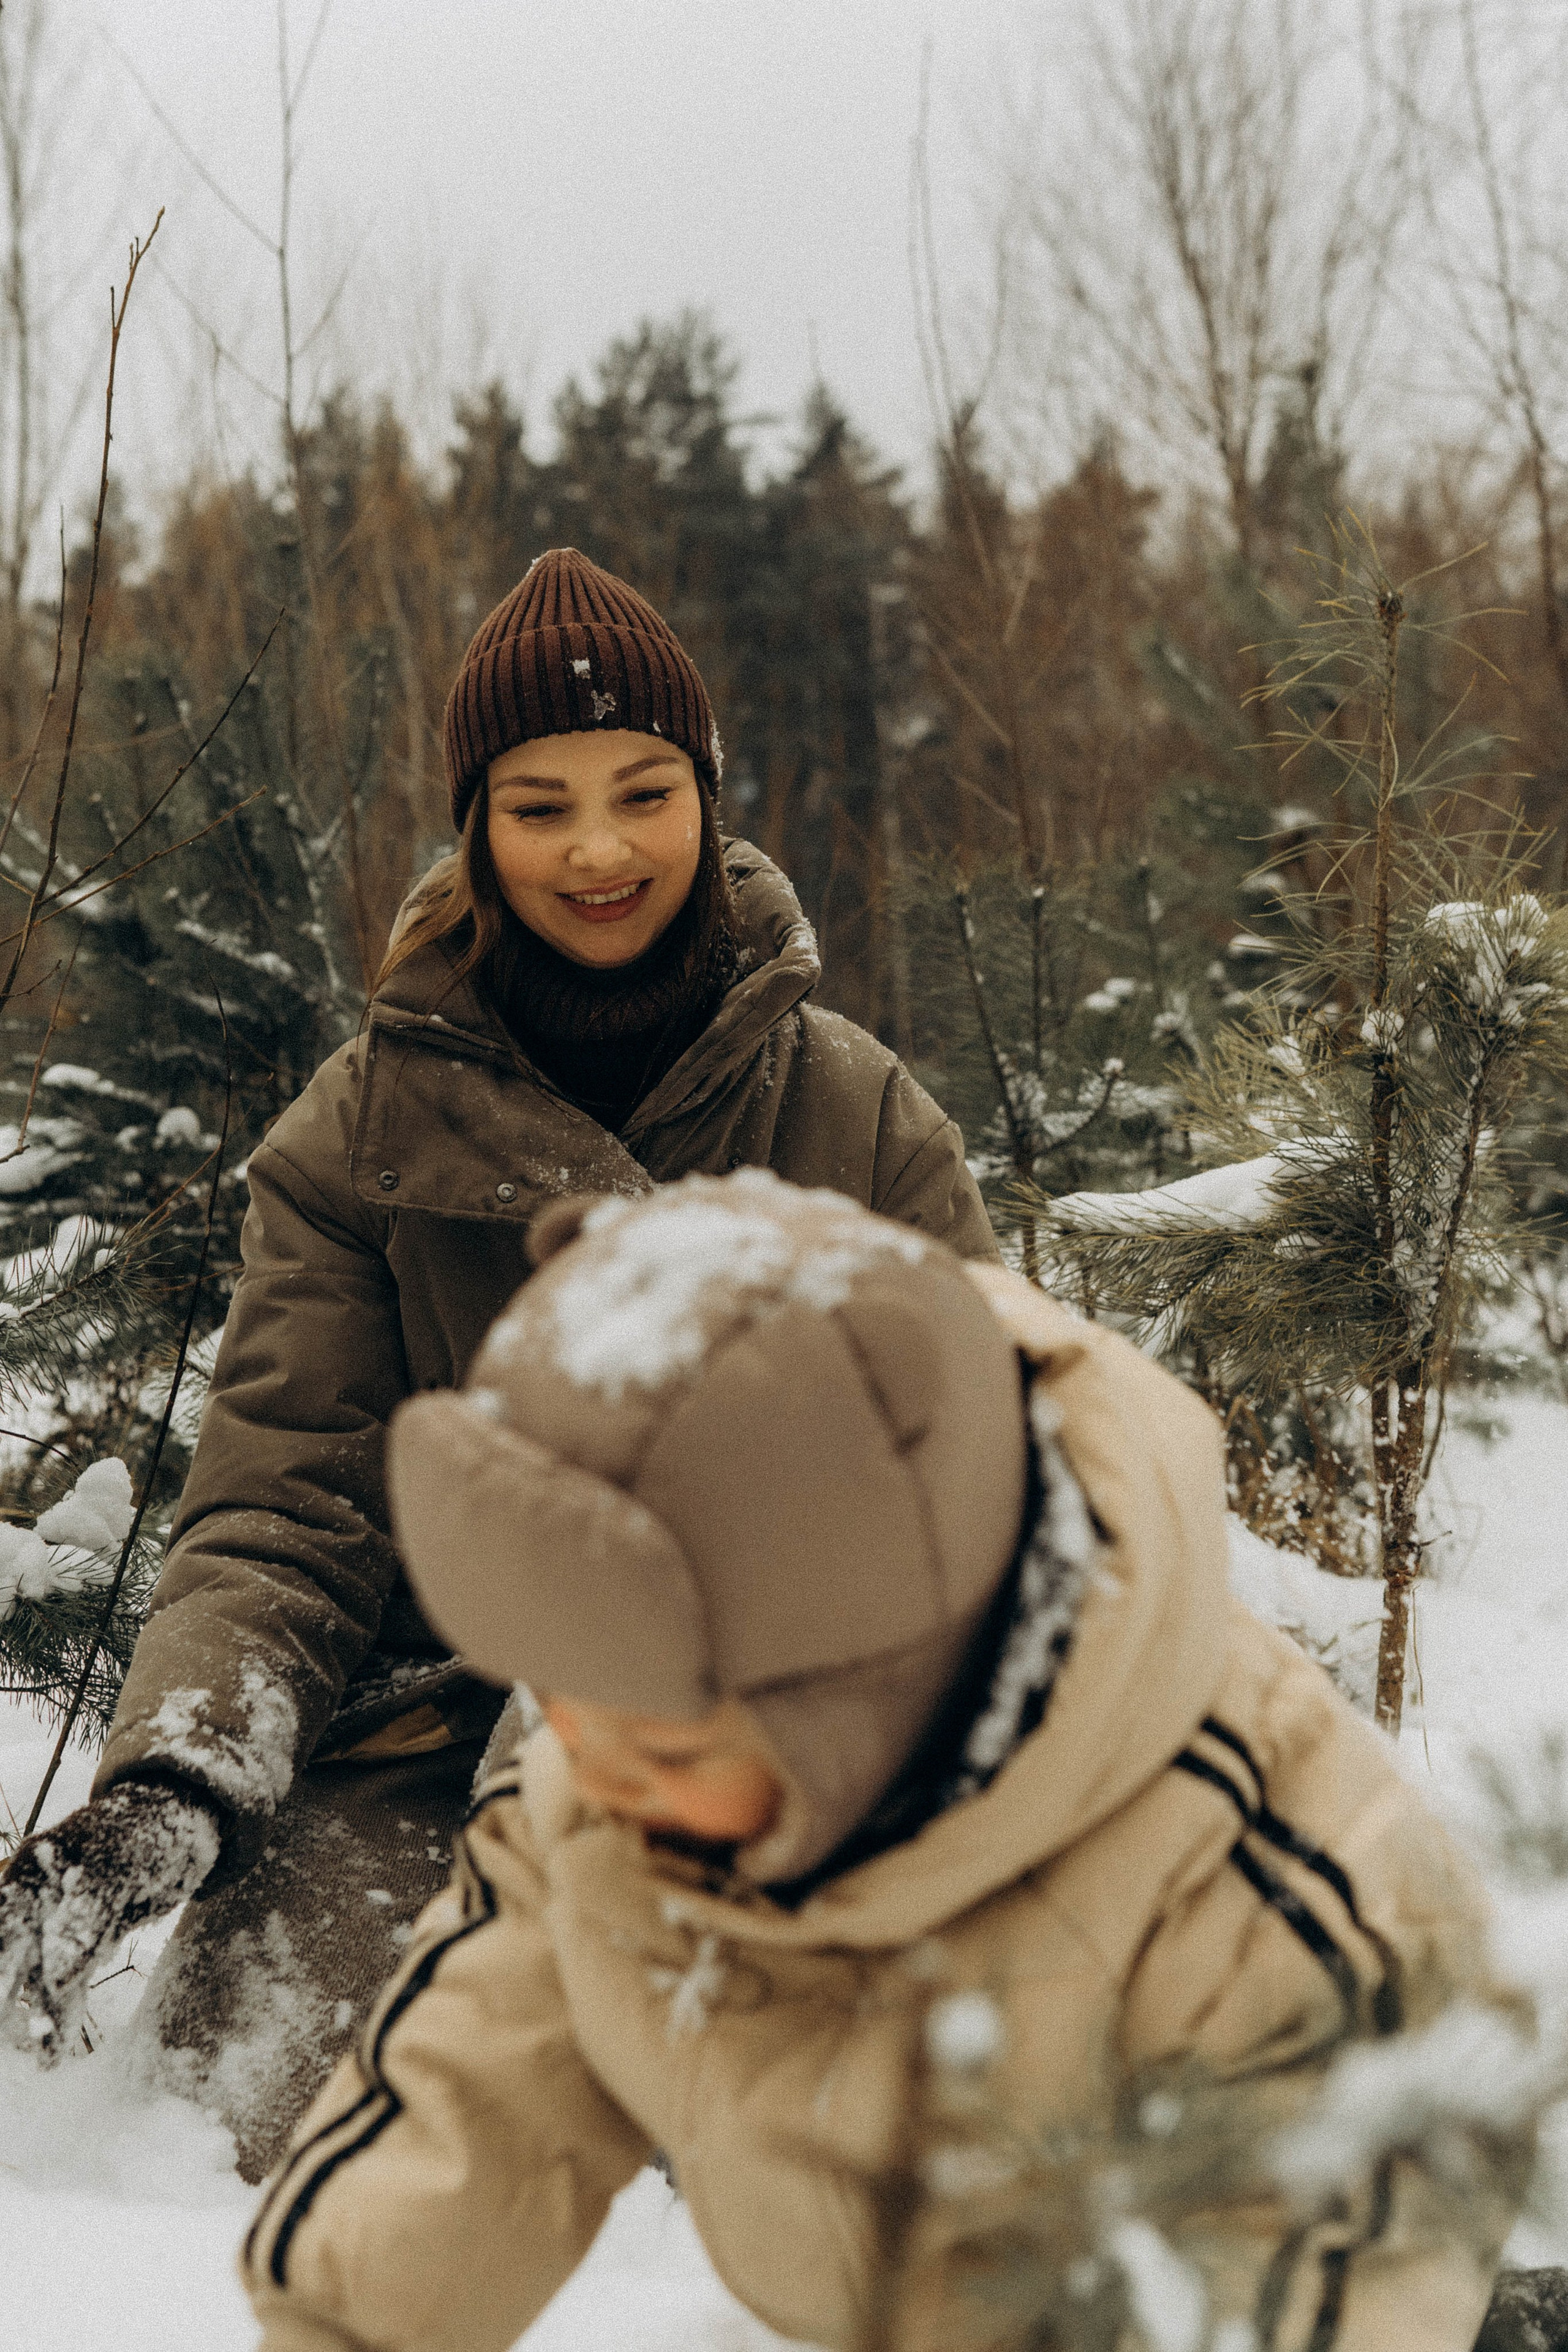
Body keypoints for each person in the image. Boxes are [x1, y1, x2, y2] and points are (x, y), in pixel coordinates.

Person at [0, 551, 997, 2179]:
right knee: (251, 2156)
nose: (598, 851)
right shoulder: (354, 1141)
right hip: (410, 1756)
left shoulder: (860, 1119)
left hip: (782, 1744)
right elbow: (283, 1508)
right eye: (539, 807)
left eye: (642, 793)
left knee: (823, 2158)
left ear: (707, 797)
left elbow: (997, 1483)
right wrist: (172, 1779)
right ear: (476, 826)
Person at [243, 1171, 1529, 2352]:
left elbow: (1311, 2273)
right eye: (559, 1707)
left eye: (664, 1740)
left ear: (860, 1714)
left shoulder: (1261, 1907)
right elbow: (470, 2086)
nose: (582, 1763)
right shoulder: (620, 1791)